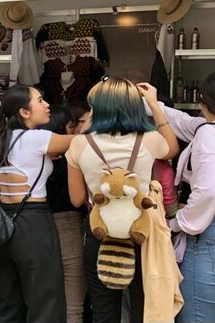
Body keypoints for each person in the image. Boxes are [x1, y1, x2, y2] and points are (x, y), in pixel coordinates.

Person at [66, 77, 177, 323]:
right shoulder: (148, 140)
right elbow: (172, 147)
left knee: (104, 312)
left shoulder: (79, 144)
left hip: (100, 232)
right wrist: (155, 105)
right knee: (142, 307)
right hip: (141, 232)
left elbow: (76, 199)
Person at [146, 70, 215, 323]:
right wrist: (152, 103)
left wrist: (178, 222)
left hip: (209, 239)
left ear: (201, 102)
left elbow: (210, 191)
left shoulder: (210, 133)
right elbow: (181, 121)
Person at [0, 85, 75, 323]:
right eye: (40, 100)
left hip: (2, 222)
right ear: (24, 112)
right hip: (32, 221)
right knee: (45, 297)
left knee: (7, 298)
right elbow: (82, 142)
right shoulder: (37, 138)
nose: (47, 104)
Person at [40, 104, 87, 323]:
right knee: (73, 300)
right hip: (68, 224)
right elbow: (79, 199)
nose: (74, 131)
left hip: (38, 223)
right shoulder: (73, 159)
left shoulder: (34, 157)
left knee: (42, 299)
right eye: (71, 126)